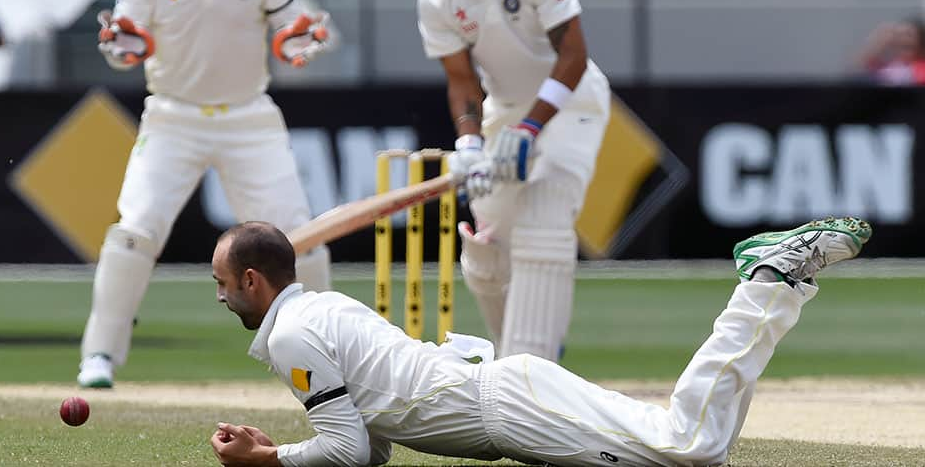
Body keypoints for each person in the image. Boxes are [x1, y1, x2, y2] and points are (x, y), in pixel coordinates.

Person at [208, 216, 872, 467]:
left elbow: (349, 452)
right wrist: (283, 449)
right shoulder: (319, 309)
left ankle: (767, 278)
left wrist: (265, 463)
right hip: (506, 395)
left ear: (251, 279)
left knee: (691, 447)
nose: (218, 296)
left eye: (221, 283)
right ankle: (775, 280)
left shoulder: (293, 334)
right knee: (704, 453)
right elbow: (374, 439)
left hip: (508, 410)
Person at [77, 0, 334, 389]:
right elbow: (125, 41)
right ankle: (99, 354)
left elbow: (291, 32)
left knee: (301, 242)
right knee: (132, 234)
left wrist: (302, 41)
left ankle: (327, 353)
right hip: (172, 117)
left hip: (248, 117)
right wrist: (121, 45)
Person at [415, 0, 611, 361]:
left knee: (544, 211)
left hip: (572, 102)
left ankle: (537, 366)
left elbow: (574, 57)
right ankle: (512, 360)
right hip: (503, 111)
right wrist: (469, 144)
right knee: (485, 244)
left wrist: (529, 128)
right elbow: (462, 81)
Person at [858, 17, 925, 86]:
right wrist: (879, 41)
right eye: (899, 35)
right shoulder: (887, 67)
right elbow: (861, 66)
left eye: (908, 34)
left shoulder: (921, 69)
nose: (902, 39)